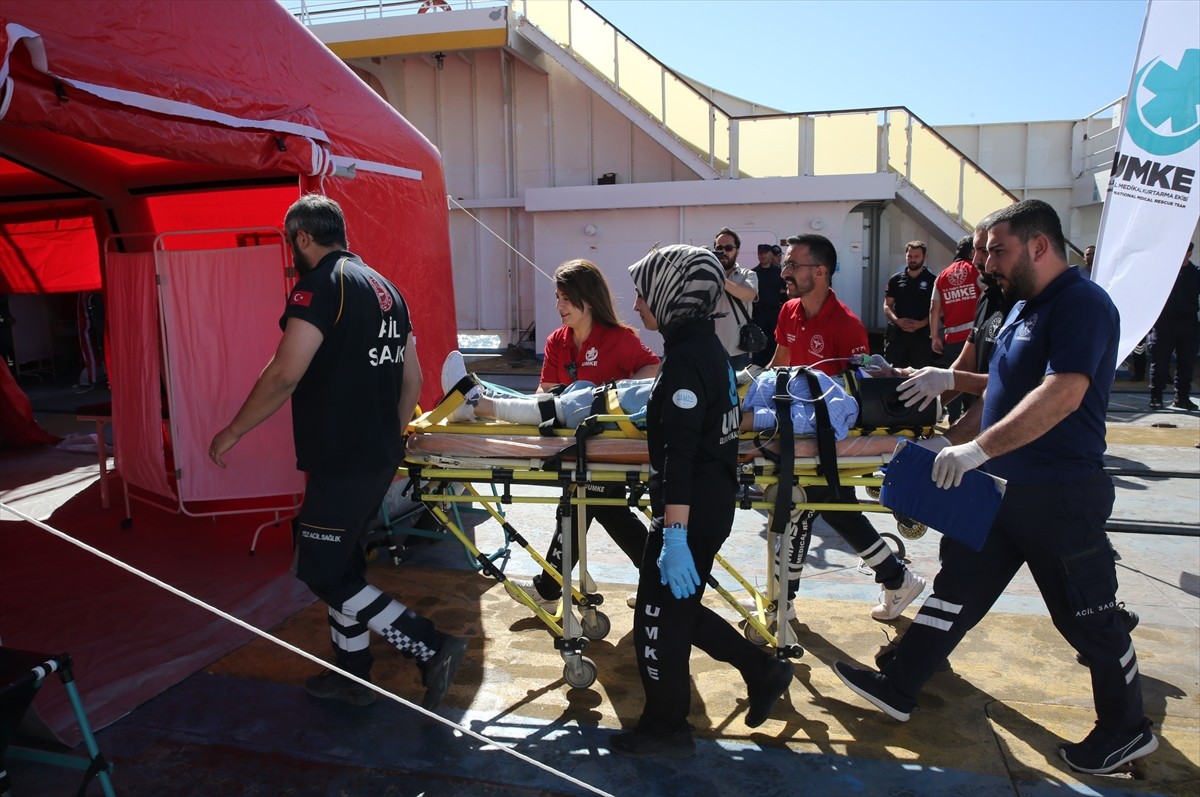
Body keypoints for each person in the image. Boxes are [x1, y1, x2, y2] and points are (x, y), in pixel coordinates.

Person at [833, 199, 1156, 776]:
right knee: (957, 587)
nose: (987, 264)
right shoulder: (1023, 307)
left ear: (1039, 245)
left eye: (997, 251)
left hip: (1058, 494)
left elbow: (1062, 391)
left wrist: (977, 449)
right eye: (983, 252)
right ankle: (901, 684)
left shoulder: (1082, 304)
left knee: (1089, 617)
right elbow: (1008, 384)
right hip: (1002, 489)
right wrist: (951, 385)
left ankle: (1127, 729)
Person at [209, 194, 467, 709]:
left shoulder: (321, 286)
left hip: (342, 457)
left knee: (321, 570)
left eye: (291, 244)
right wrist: (388, 442)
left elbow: (284, 373)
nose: (291, 255)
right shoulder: (387, 288)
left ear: (303, 237)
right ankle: (353, 672)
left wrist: (232, 431)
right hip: (373, 454)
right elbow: (411, 380)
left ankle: (431, 644)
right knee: (344, 567)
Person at [604, 244, 793, 759]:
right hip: (712, 503)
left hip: (691, 512)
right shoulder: (708, 348)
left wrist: (675, 536)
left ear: (672, 294)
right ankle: (762, 669)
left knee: (655, 620)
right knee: (677, 610)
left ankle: (665, 729)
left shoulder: (687, 359)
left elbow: (680, 456)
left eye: (644, 291)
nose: (637, 302)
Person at [765, 233, 926, 622]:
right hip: (797, 431)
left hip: (830, 439)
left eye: (793, 265)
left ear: (820, 272)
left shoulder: (847, 326)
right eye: (787, 264)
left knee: (811, 506)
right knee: (825, 509)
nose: (785, 271)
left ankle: (785, 603)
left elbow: (857, 397)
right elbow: (780, 364)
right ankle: (894, 578)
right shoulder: (789, 311)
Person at [509, 259, 660, 609]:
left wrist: (620, 395)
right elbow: (543, 391)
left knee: (586, 502)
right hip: (572, 445)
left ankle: (549, 589)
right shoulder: (556, 342)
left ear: (586, 299)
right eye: (557, 298)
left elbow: (653, 367)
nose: (558, 306)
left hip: (608, 447)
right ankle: (655, 582)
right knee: (597, 506)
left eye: (564, 298)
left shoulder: (620, 339)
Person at [928, 236, 980, 422]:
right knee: (972, 385)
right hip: (975, 340)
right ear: (972, 252)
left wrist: (935, 336)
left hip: (952, 340)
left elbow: (934, 309)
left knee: (952, 380)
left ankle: (952, 422)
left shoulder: (942, 276)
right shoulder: (977, 272)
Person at [1148, 241, 1199, 411]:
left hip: (1188, 323)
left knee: (1186, 362)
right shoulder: (1164, 272)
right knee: (1159, 362)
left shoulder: (1196, 273)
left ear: (1190, 253)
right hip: (1164, 323)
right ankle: (1156, 397)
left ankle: (1182, 397)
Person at [712, 227, 759, 369]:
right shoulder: (706, 274)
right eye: (719, 248)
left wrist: (720, 277)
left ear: (737, 251)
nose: (724, 252)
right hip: (710, 349)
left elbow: (749, 295)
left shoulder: (747, 275)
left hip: (737, 352)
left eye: (728, 248)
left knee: (739, 391)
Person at [883, 241, 934, 368]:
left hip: (921, 337)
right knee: (893, 372)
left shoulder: (933, 281)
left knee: (920, 376)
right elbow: (887, 305)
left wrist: (921, 323)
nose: (912, 260)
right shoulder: (895, 280)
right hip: (897, 336)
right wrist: (897, 320)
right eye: (909, 256)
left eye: (916, 256)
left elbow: (938, 310)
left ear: (924, 257)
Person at [750, 244, 785, 368]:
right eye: (760, 253)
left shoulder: (778, 272)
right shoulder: (753, 273)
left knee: (774, 343)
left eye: (765, 253)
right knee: (758, 345)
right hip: (759, 315)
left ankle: (773, 368)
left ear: (771, 254)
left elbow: (786, 291)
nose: (763, 255)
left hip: (775, 314)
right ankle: (756, 370)